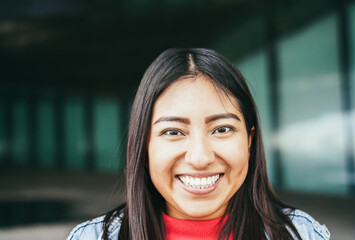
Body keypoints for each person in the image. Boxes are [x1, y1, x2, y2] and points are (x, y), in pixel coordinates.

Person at [67, 48, 330, 240]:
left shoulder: (302, 235)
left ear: (249, 140)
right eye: (173, 132)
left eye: (222, 129)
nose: (200, 157)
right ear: (144, 146)